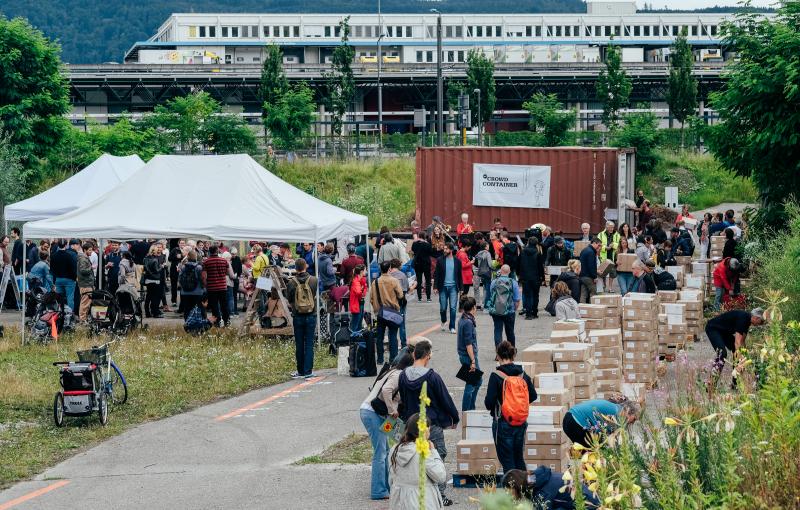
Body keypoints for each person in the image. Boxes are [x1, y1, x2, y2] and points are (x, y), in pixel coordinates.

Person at [398, 339, 459, 506]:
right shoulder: (432, 377)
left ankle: (418, 487)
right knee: (437, 455)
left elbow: (402, 399)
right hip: (430, 425)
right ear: (427, 356)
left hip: (410, 424)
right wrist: (454, 418)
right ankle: (439, 494)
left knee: (412, 455)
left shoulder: (403, 375)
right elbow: (444, 399)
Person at [361, 352, 414, 501]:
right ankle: (378, 491)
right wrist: (393, 410)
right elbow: (386, 391)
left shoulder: (392, 370)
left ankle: (386, 487)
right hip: (373, 413)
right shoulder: (398, 375)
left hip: (378, 414)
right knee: (380, 452)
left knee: (385, 449)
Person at [484, 341, 536, 474]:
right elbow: (533, 395)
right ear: (513, 355)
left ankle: (511, 492)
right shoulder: (522, 374)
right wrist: (518, 404)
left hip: (503, 422)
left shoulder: (496, 376)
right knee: (519, 459)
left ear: (498, 356)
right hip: (521, 421)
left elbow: (488, 402)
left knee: (507, 461)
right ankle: (525, 490)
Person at [388, 412, 448, 510]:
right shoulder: (423, 451)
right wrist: (433, 452)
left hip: (399, 502)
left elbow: (391, 479)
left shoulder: (395, 449)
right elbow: (440, 476)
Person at [706, 308, 765, 377]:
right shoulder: (743, 318)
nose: (759, 325)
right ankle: (712, 382)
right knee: (722, 353)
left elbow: (742, 341)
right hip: (713, 328)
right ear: (756, 318)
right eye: (760, 322)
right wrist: (740, 359)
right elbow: (737, 342)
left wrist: (745, 355)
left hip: (723, 331)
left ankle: (735, 383)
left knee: (737, 351)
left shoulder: (747, 322)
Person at [501, 467, 599, 508]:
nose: (510, 495)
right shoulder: (537, 478)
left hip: (590, 506)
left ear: (518, 487)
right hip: (590, 499)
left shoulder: (543, 493)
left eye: (511, 492)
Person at [286, 258, 319, 379]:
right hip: (311, 314)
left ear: (295, 268)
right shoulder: (314, 280)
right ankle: (308, 371)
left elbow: (289, 299)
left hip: (298, 315)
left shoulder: (291, 282)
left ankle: (300, 371)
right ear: (306, 266)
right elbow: (315, 294)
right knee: (309, 343)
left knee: (299, 344)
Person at [562, 398, 641, 447]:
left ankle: (577, 471)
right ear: (629, 412)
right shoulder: (617, 414)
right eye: (634, 419)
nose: (632, 422)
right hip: (576, 422)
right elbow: (608, 437)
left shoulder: (615, 408)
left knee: (584, 453)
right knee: (592, 452)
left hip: (569, 418)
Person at [371, 261, 404, 365]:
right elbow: (400, 294)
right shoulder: (394, 281)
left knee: (379, 336)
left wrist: (377, 308)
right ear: (389, 269)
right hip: (392, 311)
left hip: (380, 312)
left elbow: (371, 298)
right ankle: (393, 358)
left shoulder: (375, 282)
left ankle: (380, 359)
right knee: (393, 336)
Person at [457, 296, 482, 412]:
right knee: (471, 383)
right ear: (473, 308)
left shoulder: (463, 318)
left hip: (465, 355)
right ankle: (467, 410)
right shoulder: (468, 322)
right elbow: (468, 344)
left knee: (477, 381)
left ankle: (470, 407)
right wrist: (473, 361)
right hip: (468, 356)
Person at [487, 264, 521, 346]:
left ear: (501, 271)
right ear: (509, 272)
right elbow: (517, 299)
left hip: (496, 310)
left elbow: (491, 295)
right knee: (510, 332)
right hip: (509, 310)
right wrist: (514, 309)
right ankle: (511, 352)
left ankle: (499, 354)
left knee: (498, 331)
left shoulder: (494, 282)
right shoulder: (513, 283)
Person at [434, 243, 462, 334]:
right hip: (443, 287)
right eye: (444, 249)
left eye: (446, 249)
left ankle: (452, 327)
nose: (444, 250)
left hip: (453, 287)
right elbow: (436, 274)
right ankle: (443, 320)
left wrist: (461, 288)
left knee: (453, 308)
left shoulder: (457, 261)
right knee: (443, 307)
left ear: (451, 250)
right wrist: (435, 287)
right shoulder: (440, 260)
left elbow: (459, 276)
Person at [201, 245, 233, 327]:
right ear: (217, 251)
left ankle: (217, 322)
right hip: (223, 287)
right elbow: (228, 273)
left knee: (214, 306)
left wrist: (206, 285)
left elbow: (204, 277)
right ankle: (226, 321)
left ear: (209, 251)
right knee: (224, 305)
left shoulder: (206, 262)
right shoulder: (224, 261)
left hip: (212, 288)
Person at [518, 237, 542, 320]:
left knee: (528, 295)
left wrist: (520, 275)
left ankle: (528, 314)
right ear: (536, 244)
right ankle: (534, 313)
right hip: (536, 277)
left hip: (525, 277)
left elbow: (519, 263)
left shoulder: (523, 251)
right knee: (536, 295)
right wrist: (541, 277)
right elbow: (540, 267)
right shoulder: (538, 253)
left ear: (528, 242)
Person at [51, 240, 77, 311]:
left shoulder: (53, 256)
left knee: (59, 299)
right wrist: (74, 278)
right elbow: (73, 268)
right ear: (66, 245)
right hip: (69, 280)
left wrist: (54, 280)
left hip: (58, 279)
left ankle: (59, 314)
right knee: (70, 298)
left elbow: (52, 269)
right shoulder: (69, 255)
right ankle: (70, 315)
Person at [179, 250, 205, 319]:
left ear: (188, 257)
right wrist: (203, 287)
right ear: (196, 257)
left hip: (185, 292)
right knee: (200, 308)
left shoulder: (183, 267)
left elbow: (180, 279)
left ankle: (187, 324)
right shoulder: (199, 267)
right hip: (197, 291)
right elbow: (202, 279)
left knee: (187, 309)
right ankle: (201, 325)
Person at [143, 245, 164, 319]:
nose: (158, 251)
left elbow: (146, 269)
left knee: (148, 297)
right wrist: (161, 267)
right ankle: (155, 313)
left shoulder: (145, 258)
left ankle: (147, 312)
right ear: (154, 251)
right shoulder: (155, 260)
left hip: (148, 280)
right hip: (155, 280)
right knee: (155, 298)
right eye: (157, 249)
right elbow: (156, 270)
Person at [411, 232, 433, 302]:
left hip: (418, 263)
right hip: (426, 263)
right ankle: (428, 297)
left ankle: (419, 298)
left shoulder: (414, 244)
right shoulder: (427, 244)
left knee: (419, 280)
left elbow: (413, 250)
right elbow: (430, 252)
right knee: (428, 280)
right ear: (425, 237)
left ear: (418, 236)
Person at [76, 242, 95, 322]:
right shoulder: (83, 258)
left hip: (86, 284)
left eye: (92, 250)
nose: (91, 252)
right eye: (90, 250)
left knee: (86, 303)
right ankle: (82, 320)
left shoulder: (84, 257)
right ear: (85, 250)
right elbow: (83, 270)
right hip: (86, 284)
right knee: (85, 303)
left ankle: (84, 319)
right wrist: (91, 267)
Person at [578, 238, 600, 303]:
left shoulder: (584, 250)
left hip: (582, 275)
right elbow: (591, 266)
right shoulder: (591, 252)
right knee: (593, 293)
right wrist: (595, 276)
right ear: (594, 243)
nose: (599, 247)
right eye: (598, 245)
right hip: (588, 276)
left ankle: (582, 309)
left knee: (583, 293)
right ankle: (592, 309)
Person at [473, 241, 493, 310]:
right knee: (487, 289)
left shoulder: (479, 254)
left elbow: (479, 264)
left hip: (481, 272)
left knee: (478, 287)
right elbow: (490, 264)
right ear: (485, 247)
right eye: (488, 245)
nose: (489, 246)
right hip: (487, 273)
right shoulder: (487, 253)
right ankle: (485, 304)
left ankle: (479, 303)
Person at [349, 264, 367, 333]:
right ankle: (354, 340)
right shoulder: (356, 281)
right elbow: (358, 292)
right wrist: (362, 293)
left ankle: (358, 340)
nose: (366, 271)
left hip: (360, 303)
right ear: (361, 271)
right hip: (357, 304)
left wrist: (363, 292)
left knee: (359, 323)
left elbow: (364, 288)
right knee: (356, 324)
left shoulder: (361, 280)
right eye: (365, 270)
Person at [168, 240, 184, 307]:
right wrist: (176, 257)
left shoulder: (186, 250)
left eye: (183, 243)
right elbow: (169, 258)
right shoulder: (175, 250)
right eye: (181, 243)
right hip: (174, 270)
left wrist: (182, 257)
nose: (182, 244)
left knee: (182, 286)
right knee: (174, 285)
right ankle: (174, 301)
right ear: (178, 244)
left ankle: (182, 301)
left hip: (182, 270)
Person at [229, 247, 242, 316]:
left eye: (235, 254)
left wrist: (239, 276)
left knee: (234, 295)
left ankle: (235, 309)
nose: (234, 255)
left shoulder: (238, 259)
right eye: (232, 254)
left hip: (236, 278)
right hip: (230, 278)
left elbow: (240, 268)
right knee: (231, 295)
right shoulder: (228, 259)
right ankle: (231, 309)